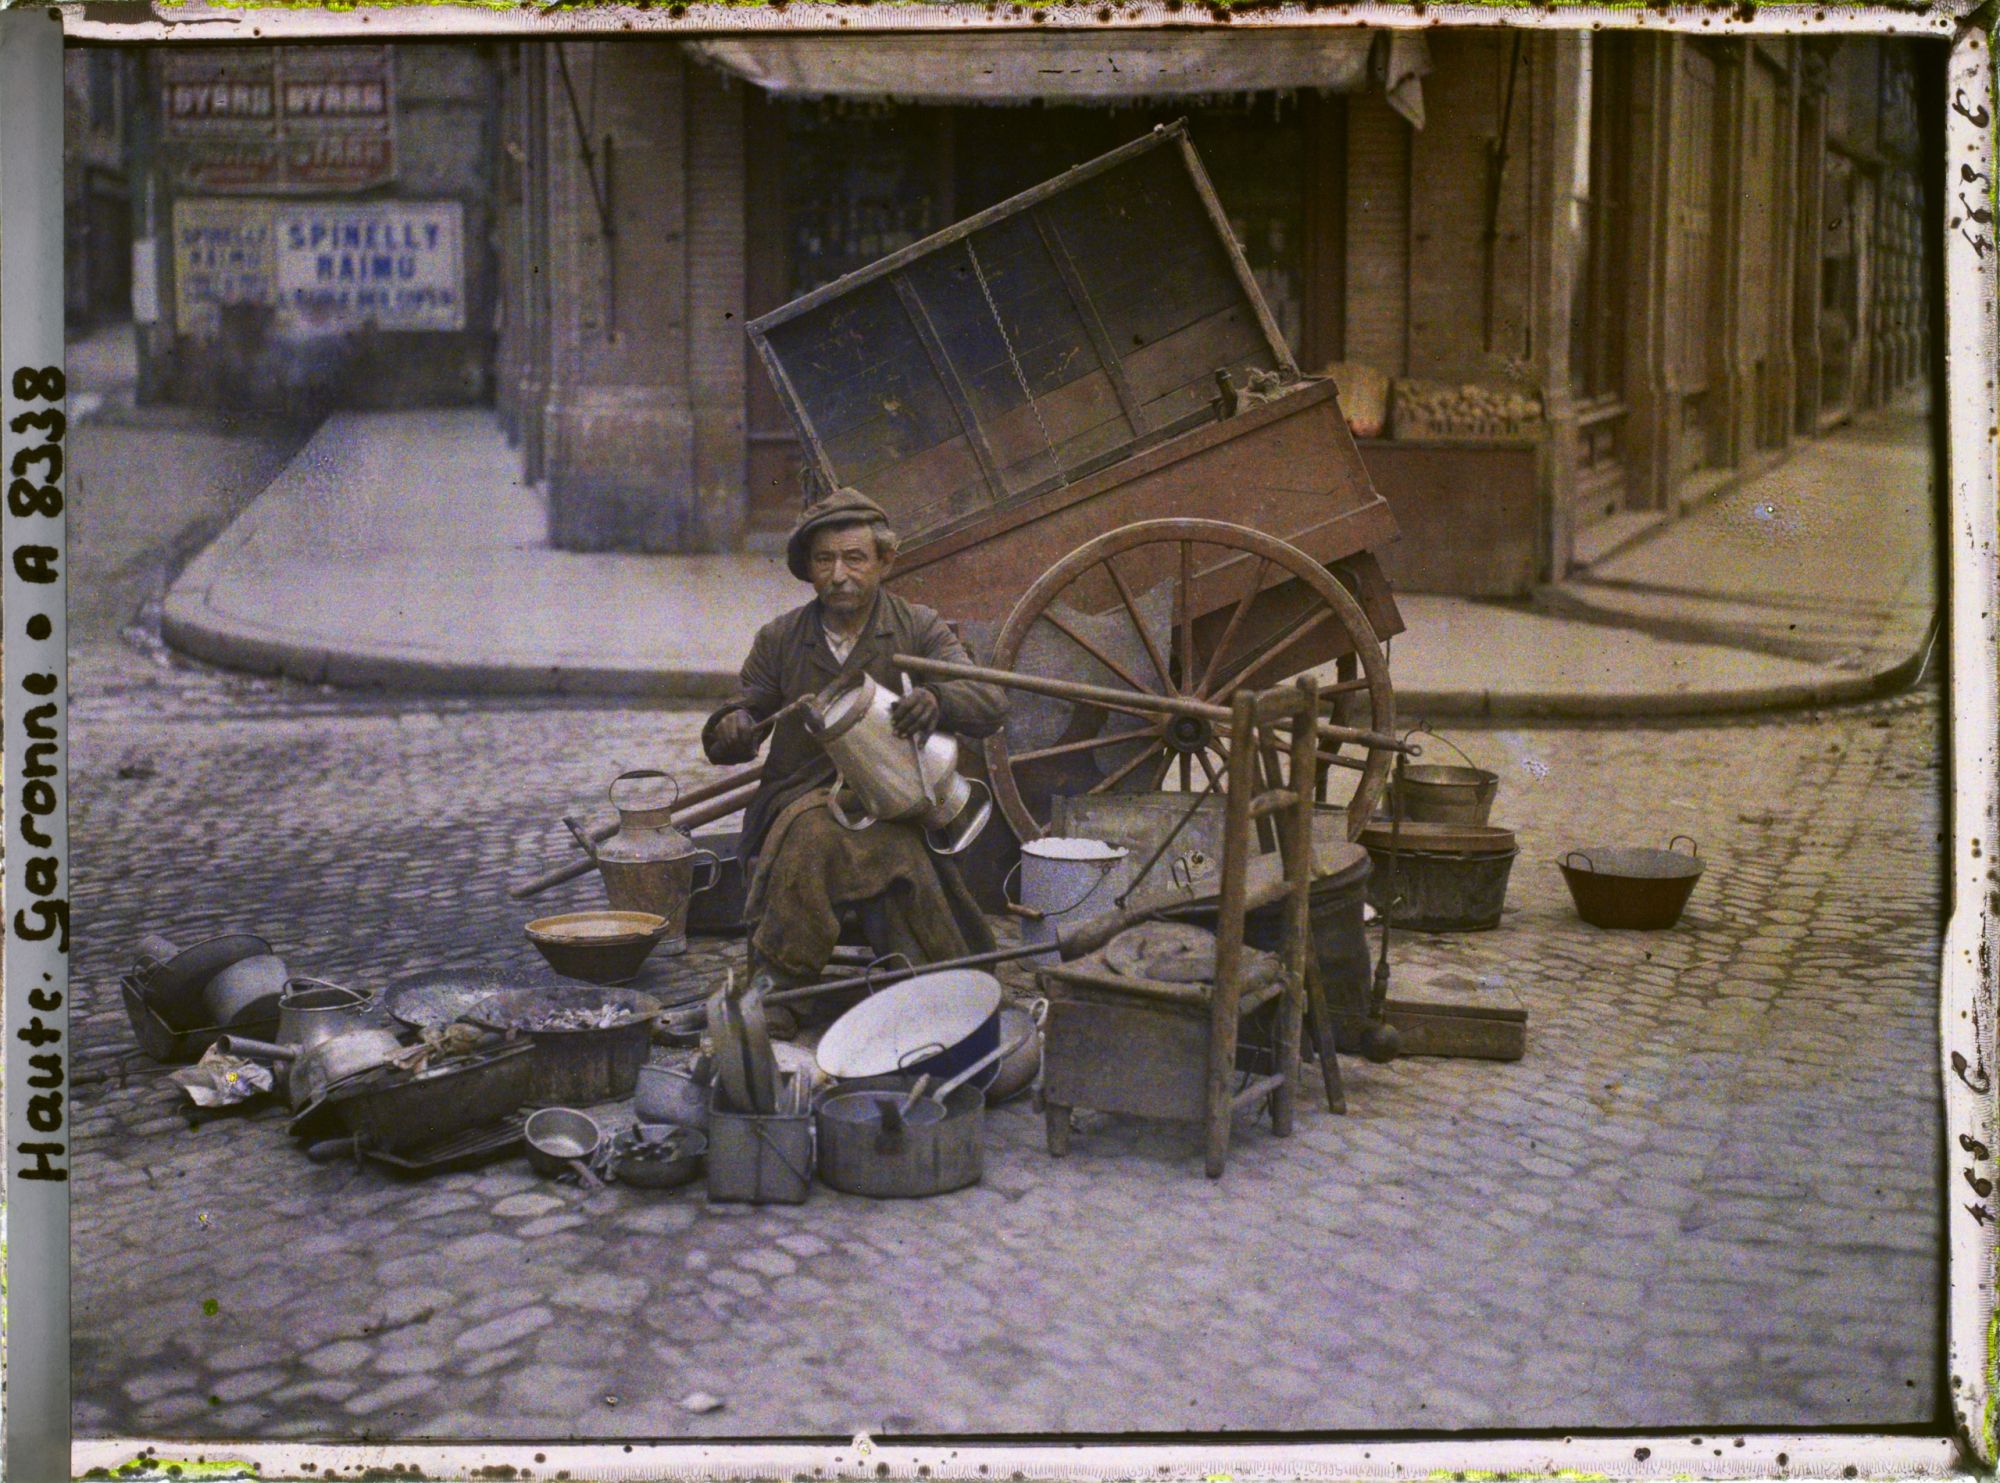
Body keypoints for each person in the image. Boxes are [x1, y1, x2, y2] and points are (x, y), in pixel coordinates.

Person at [702, 487, 1007, 999]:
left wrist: (938, 700)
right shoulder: (780, 638)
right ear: (808, 567)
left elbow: (990, 702)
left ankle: (816, 984)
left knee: (883, 847)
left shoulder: (917, 627)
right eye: (824, 560)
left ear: (885, 561)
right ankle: (786, 989)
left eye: (854, 558)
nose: (838, 574)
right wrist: (732, 726)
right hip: (795, 799)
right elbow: (736, 720)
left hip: (892, 804)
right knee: (815, 831)